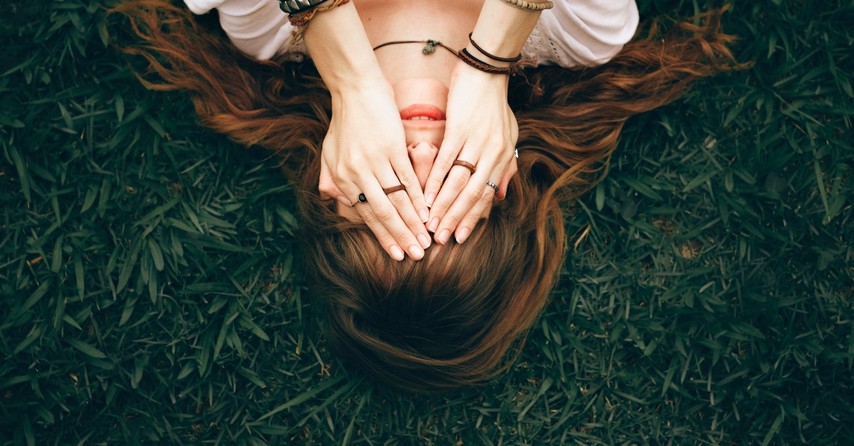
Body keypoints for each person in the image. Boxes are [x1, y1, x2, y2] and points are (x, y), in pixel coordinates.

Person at [114, 0, 739, 391]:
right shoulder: (583, 27)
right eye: (450, 187)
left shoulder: (259, 19)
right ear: (507, 180)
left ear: (330, 185)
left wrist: (353, 82)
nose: (418, 156)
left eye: (389, 192)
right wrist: (490, 59)